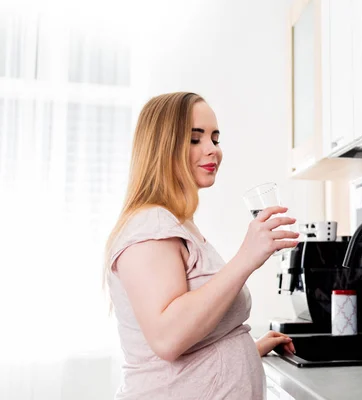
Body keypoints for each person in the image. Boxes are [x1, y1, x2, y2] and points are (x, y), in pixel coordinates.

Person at [105, 92, 299, 399]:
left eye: (215, 138)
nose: (213, 150)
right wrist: (246, 258)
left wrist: (247, 347)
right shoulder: (150, 227)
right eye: (195, 139)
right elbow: (168, 338)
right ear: (162, 147)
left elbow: (195, 324)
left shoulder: (176, 222)